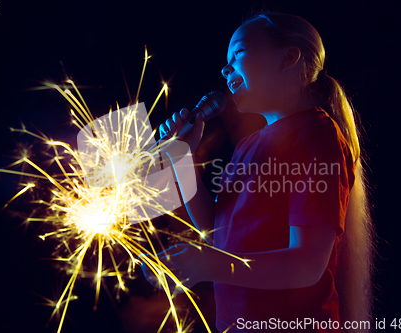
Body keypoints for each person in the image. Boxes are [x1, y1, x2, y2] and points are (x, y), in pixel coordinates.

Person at [155, 11, 374, 333]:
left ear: (289, 57)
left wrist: (207, 264)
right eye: (225, 60)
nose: (225, 67)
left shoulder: (318, 137)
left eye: (239, 53)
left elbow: (306, 265)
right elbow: (217, 234)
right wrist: (182, 157)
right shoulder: (248, 145)